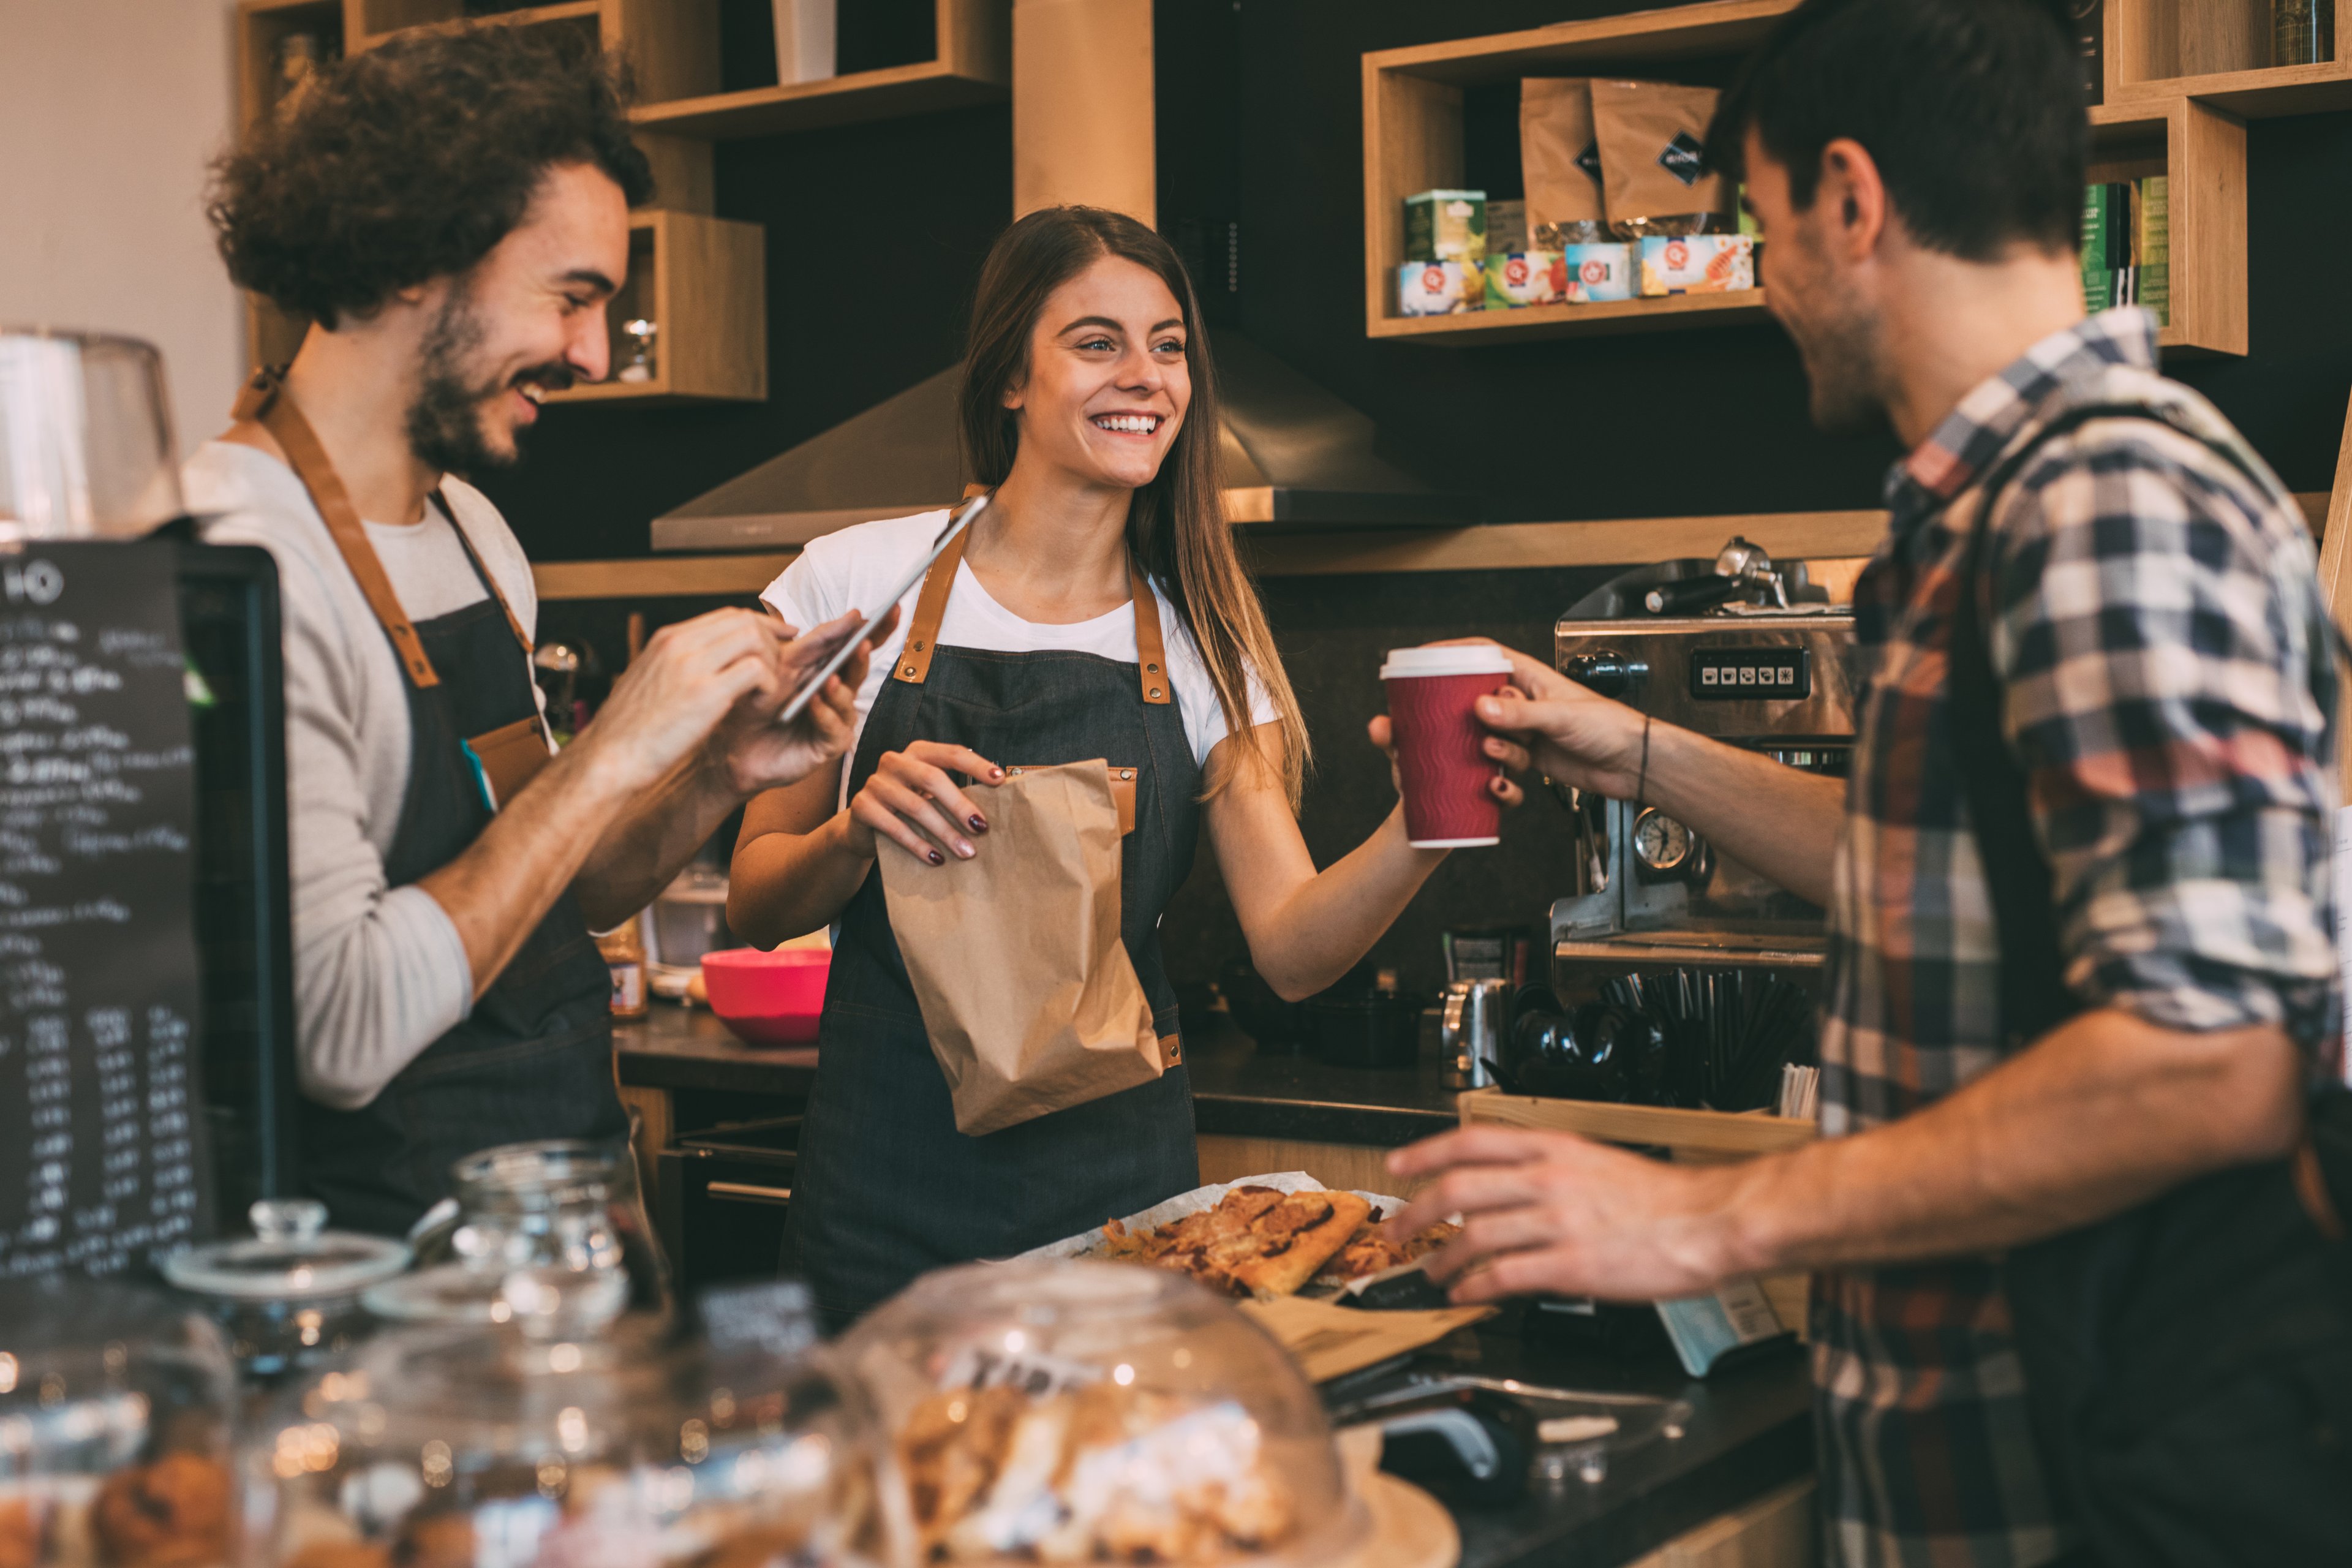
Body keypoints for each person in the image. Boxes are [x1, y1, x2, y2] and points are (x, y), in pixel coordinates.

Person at [1385, 1, 2341, 1563]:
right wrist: (1625, 746)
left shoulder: (2105, 500)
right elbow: (1933, 876)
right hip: (1980, 1469)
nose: (1765, 281)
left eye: (1761, 228)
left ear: (1851, 198)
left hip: (2089, 1485)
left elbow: (2205, 1053)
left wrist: (1705, 1215)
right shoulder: (1990, 515)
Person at [727, 206, 1526, 1320]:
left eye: (1168, 345)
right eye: (1097, 342)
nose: (1145, 376)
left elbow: (1293, 953)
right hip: (881, 1189)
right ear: (1011, 375)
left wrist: (1426, 825)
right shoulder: (855, 584)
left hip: (1113, 1206)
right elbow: (754, 901)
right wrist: (854, 830)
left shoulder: (1203, 637)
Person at [186, 29, 880, 1236]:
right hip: (373, 1282)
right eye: (573, 298)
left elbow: (556, 886)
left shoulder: (474, 531)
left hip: (554, 1233)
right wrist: (614, 746)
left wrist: (715, 773)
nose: (593, 355)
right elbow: (339, 1029)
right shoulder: (227, 556)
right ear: (416, 255)